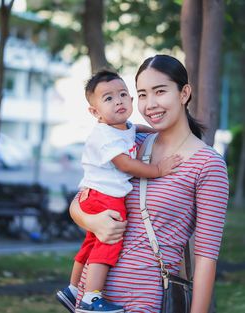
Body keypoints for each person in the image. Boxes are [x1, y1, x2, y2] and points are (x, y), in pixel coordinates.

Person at [69, 55, 229, 313]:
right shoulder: (130, 142)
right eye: (142, 94)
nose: (150, 104)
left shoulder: (207, 164)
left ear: (184, 93)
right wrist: (90, 221)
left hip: (143, 301)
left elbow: (206, 258)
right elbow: (84, 197)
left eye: (160, 91)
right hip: (92, 298)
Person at [56, 69, 182, 313]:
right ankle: (91, 298)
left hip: (94, 195)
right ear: (95, 112)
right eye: (109, 98)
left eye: (123, 94)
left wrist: (155, 131)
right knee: (109, 243)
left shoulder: (122, 127)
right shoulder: (105, 136)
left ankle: (73, 289)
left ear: (131, 100)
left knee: (92, 242)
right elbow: (124, 164)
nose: (119, 101)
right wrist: (157, 169)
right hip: (106, 198)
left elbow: (137, 129)